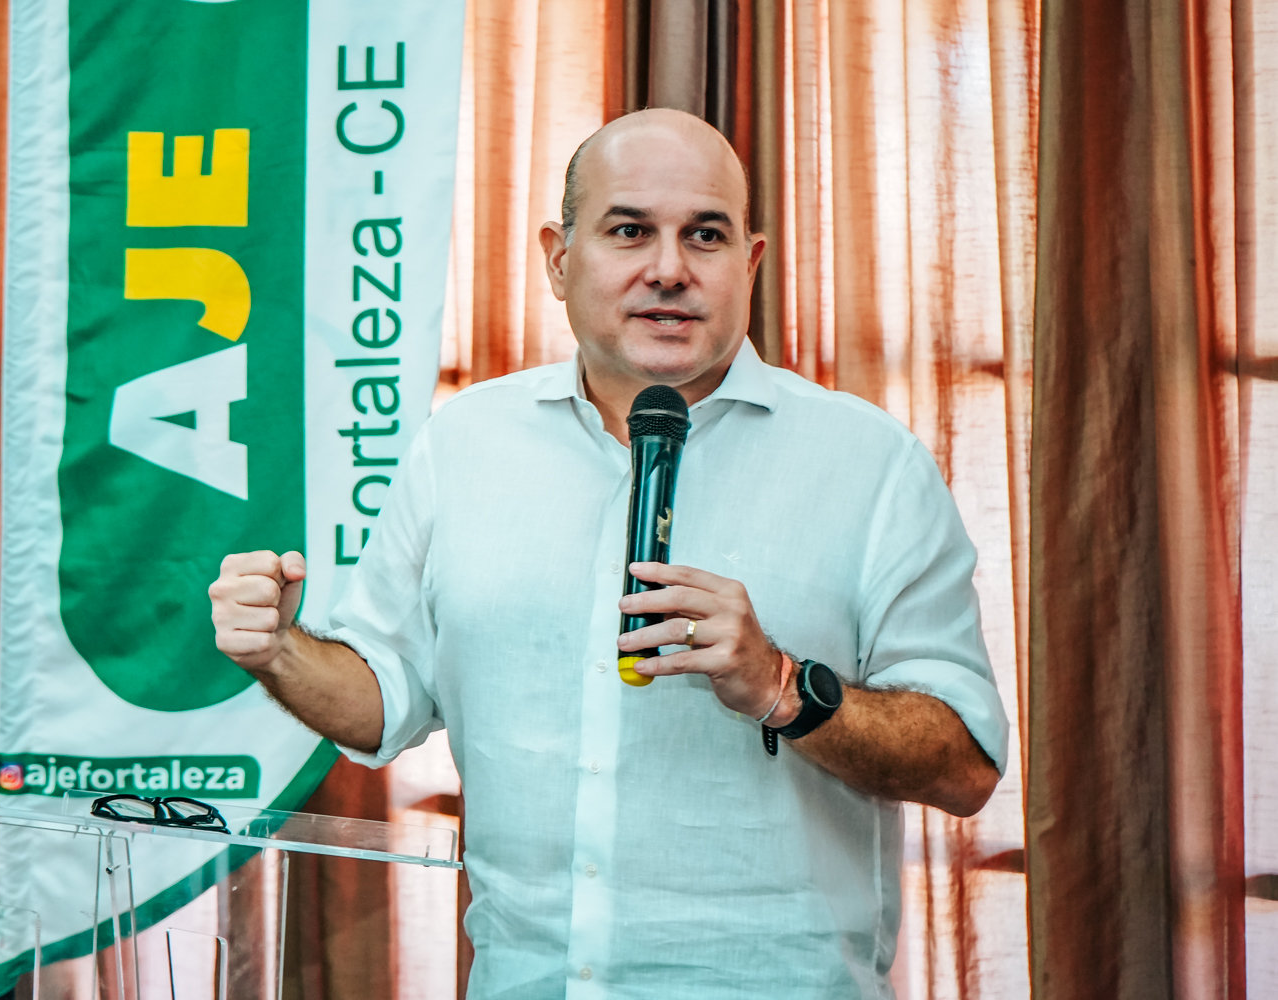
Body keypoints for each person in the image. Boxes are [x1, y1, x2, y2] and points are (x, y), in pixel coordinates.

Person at [210, 108, 1008, 998]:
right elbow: (384, 699)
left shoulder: (870, 466)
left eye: (705, 235)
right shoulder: (463, 445)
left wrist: (781, 685)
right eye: (629, 231)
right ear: (559, 260)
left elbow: (965, 763)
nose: (668, 268)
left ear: (749, 264)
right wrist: (279, 651)